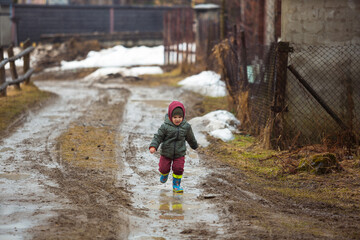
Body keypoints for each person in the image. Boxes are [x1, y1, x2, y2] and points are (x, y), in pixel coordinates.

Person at [149, 101, 198, 193]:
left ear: (183, 117)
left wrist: (194, 145)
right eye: (175, 117)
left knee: (178, 169)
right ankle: (164, 174)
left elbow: (190, 137)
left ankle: (176, 185)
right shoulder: (165, 126)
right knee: (164, 168)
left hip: (179, 153)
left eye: (180, 117)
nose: (177, 119)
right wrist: (153, 146)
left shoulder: (186, 127)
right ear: (170, 116)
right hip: (166, 153)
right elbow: (158, 136)